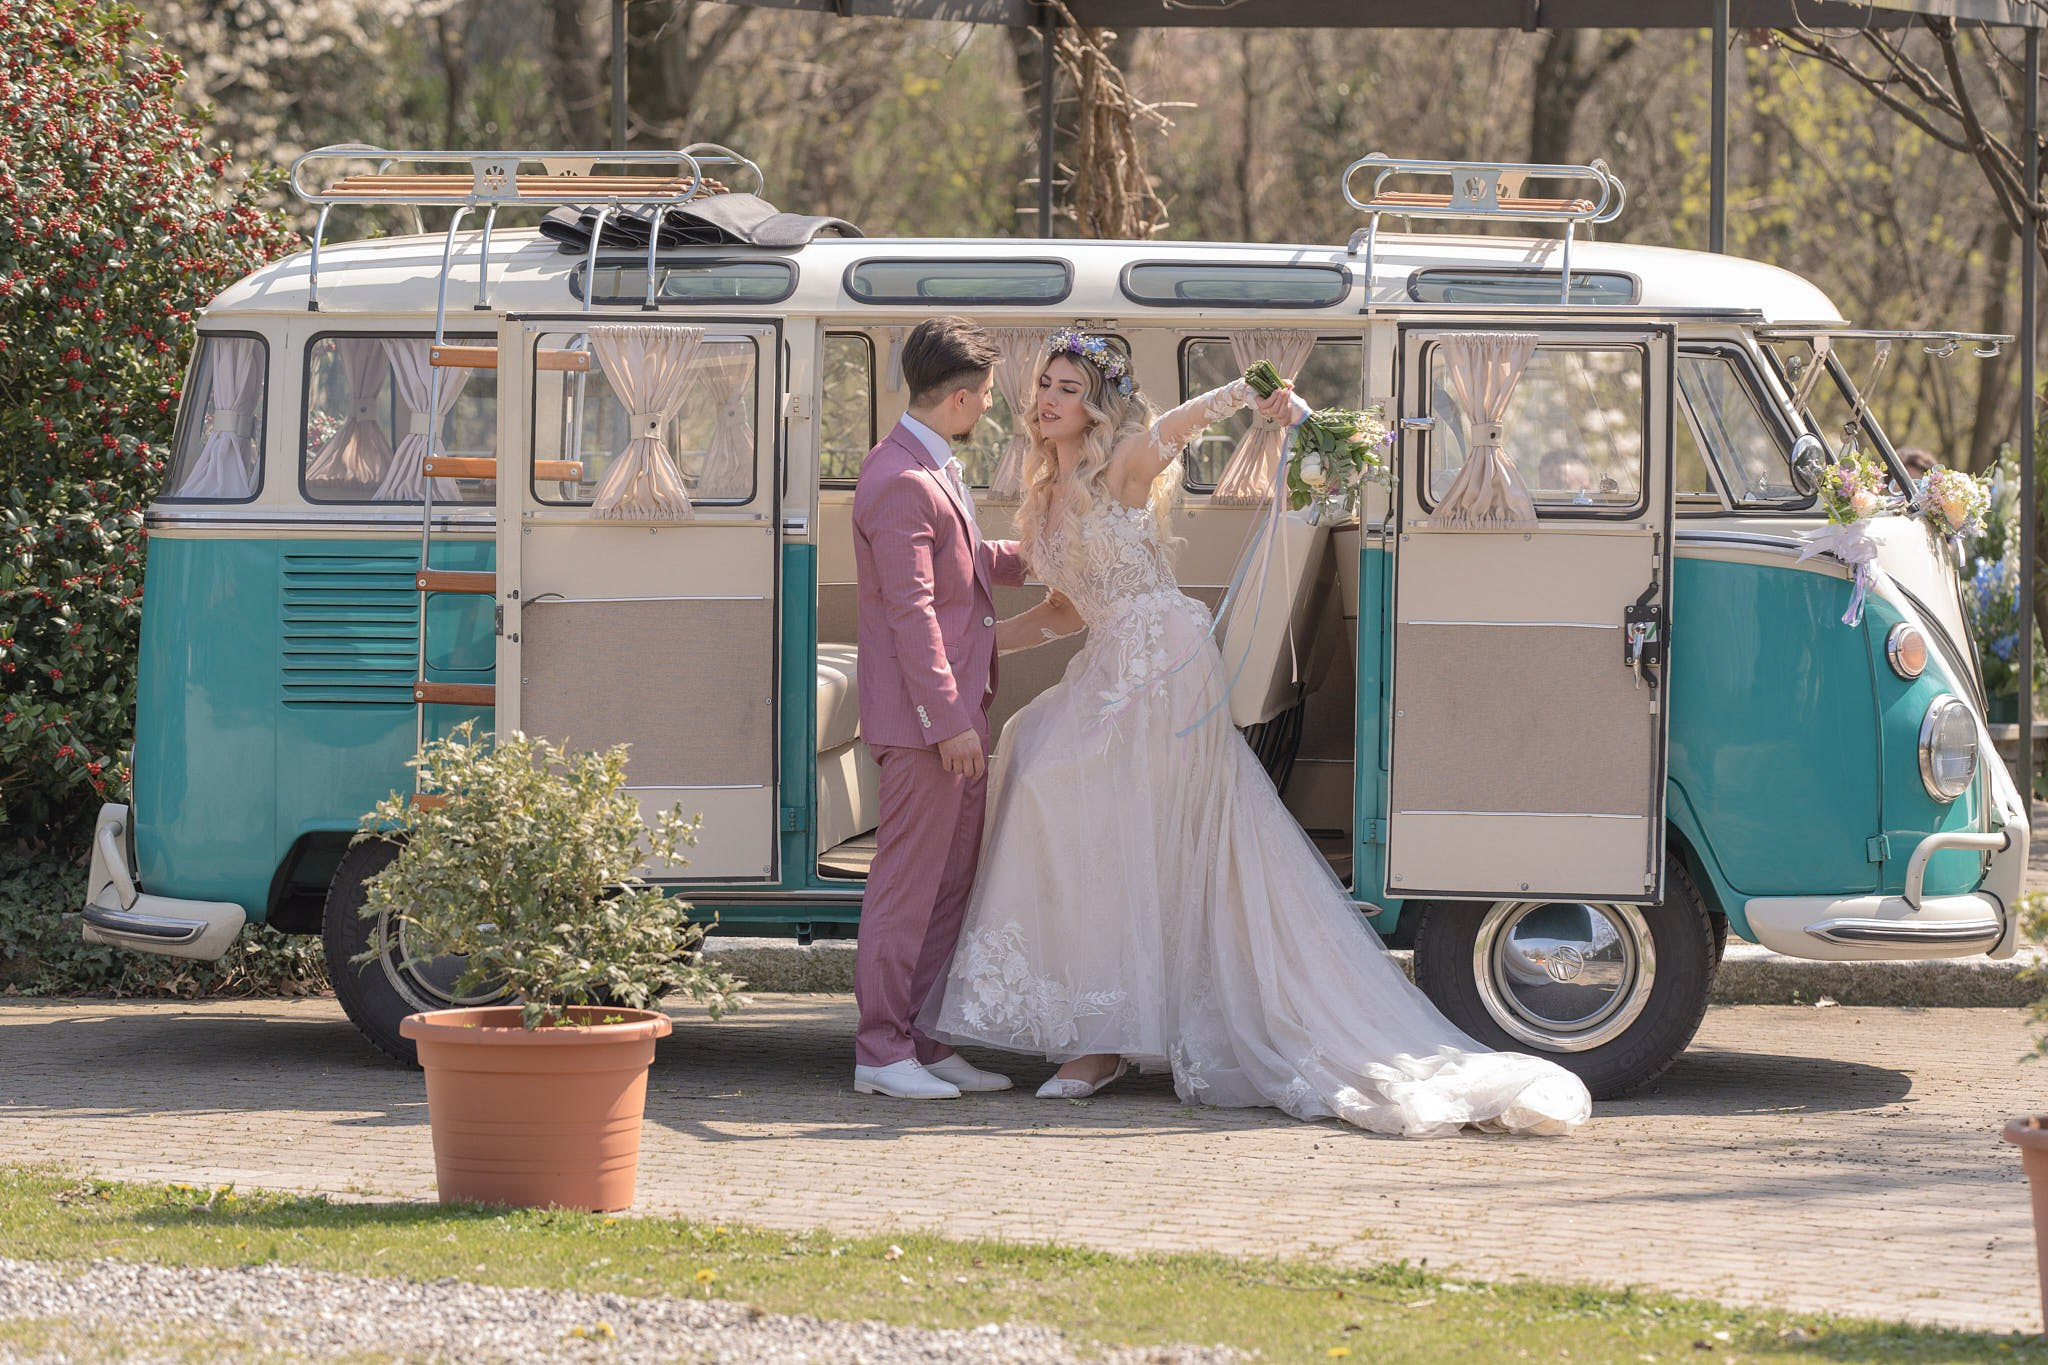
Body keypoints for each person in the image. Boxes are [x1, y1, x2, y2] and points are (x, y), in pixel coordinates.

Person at [918, 329, 1594, 1138]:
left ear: (1095, 403)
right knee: (1034, 763)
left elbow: (1181, 428)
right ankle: (1106, 1022)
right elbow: (1067, 609)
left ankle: (1109, 1040)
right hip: (1108, 657)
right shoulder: (1044, 495)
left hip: (1163, 656)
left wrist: (1254, 391)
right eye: (1044, 387)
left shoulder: (1125, 460)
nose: (1050, 399)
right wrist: (977, 648)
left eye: (1068, 386)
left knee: (1101, 805)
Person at [849, 316, 1029, 1100]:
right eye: (987, 396)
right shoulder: (899, 478)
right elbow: (910, 612)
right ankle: (880, 1050)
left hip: (956, 716)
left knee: (950, 887)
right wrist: (950, 721)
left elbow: (963, 564)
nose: (989, 408)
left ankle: (923, 1037)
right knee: (907, 888)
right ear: (959, 397)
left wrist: (1050, 553)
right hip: (931, 727)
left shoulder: (928, 469)